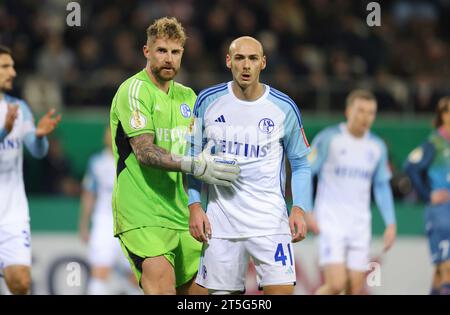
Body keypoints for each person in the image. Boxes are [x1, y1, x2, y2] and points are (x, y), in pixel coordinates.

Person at [109, 17, 239, 295]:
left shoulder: (189, 97)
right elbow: (145, 152)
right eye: (162, 51)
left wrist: (196, 205)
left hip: (183, 214)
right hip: (143, 214)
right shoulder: (133, 90)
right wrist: (194, 164)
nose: (169, 59)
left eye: (175, 52)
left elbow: (203, 153)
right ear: (147, 51)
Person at [187, 36, 312, 295]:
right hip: (221, 225)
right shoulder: (207, 101)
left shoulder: (283, 107)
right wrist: (195, 205)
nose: (246, 65)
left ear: (263, 63)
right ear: (228, 61)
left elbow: (300, 163)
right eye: (240, 58)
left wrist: (299, 208)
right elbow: (192, 159)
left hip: (270, 223)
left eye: (253, 58)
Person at [305, 89, 397, 295]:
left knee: (354, 288)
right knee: (336, 285)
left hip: (359, 224)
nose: (365, 117)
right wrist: (307, 210)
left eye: (371, 112)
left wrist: (391, 223)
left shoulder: (377, 147)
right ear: (348, 111)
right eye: (361, 111)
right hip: (330, 221)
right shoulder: (329, 139)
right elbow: (306, 173)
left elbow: (381, 186)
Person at [0, 45, 61, 294]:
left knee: (21, 283)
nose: (13, 72)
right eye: (5, 66)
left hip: (12, 213)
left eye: (13, 66)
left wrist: (39, 136)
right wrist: (4, 131)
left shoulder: (19, 107)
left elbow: (37, 151)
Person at [79, 127, 139, 295]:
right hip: (104, 222)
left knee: (135, 277)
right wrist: (84, 225)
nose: (111, 136)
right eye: (108, 133)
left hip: (130, 222)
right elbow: (89, 194)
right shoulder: (96, 162)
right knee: (100, 271)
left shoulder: (133, 161)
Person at [404, 96, 450, 295]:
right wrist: (428, 195)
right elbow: (410, 167)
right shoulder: (434, 143)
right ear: (444, 115)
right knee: (447, 266)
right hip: (440, 213)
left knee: (441, 269)